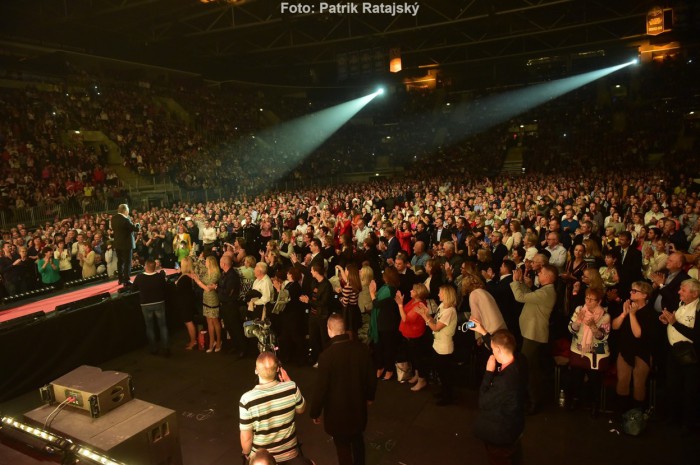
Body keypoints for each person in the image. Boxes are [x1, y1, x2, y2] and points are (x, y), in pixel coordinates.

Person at [309, 314, 377, 465]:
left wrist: (315, 412)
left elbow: (321, 388)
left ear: (329, 330)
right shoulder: (362, 349)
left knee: (342, 446)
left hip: (337, 412)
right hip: (358, 406)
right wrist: (370, 396)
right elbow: (371, 377)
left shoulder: (326, 356)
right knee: (358, 440)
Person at [239, 352, 313, 464]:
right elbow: (301, 409)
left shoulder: (247, 399)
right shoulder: (291, 387)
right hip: (290, 455)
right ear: (278, 369)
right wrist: (289, 381)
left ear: (256, 370)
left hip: (261, 460)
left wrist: (246, 453)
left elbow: (247, 437)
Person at [470, 328, 526, 465]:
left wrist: (488, 372)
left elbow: (483, 402)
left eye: (493, 350)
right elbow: (499, 344)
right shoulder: (521, 360)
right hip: (516, 423)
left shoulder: (505, 382)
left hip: (502, 433)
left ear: (499, 351)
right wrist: (483, 332)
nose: (492, 352)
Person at [510, 264, 558, 414]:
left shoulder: (547, 292)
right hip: (531, 333)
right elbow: (528, 296)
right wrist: (522, 284)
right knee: (532, 367)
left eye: (541, 272)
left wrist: (515, 281)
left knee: (527, 366)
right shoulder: (544, 291)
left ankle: (533, 401)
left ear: (549, 277)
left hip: (534, 334)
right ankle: (534, 397)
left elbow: (520, 297)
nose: (538, 273)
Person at [659, 279, 700, 430]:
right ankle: (672, 418)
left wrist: (674, 323)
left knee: (689, 391)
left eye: (683, 290)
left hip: (691, 355)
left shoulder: (698, 308)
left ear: (695, 293)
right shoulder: (681, 304)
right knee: (672, 387)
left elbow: (696, 335)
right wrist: (668, 321)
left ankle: (687, 424)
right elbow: (676, 323)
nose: (678, 292)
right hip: (674, 352)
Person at [611, 281, 656, 414]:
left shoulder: (649, 313)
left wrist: (632, 315)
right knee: (622, 381)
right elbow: (614, 326)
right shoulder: (626, 306)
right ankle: (621, 413)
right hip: (625, 348)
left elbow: (638, 334)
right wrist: (624, 314)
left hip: (642, 351)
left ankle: (636, 416)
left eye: (634, 291)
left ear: (644, 295)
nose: (631, 292)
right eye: (631, 290)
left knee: (638, 384)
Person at [565, 287, 611, 416]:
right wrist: (578, 321)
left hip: (597, 353)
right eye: (587, 298)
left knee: (595, 380)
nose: (588, 301)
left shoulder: (605, 316)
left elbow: (603, 336)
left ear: (599, 301)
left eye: (592, 299)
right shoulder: (580, 310)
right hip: (578, 349)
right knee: (576, 377)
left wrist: (593, 327)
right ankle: (575, 400)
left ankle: (594, 404)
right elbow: (571, 328)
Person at [415, 284, 458, 405]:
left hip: (444, 347)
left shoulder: (450, 311)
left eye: (441, 293)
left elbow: (435, 327)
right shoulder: (442, 306)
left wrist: (424, 315)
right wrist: (427, 315)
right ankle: (444, 393)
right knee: (441, 372)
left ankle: (448, 397)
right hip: (437, 344)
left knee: (445, 374)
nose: (438, 294)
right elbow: (434, 321)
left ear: (447, 295)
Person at [395, 283, 431, 391]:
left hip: (415, 335)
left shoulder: (419, 304)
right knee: (413, 357)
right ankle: (416, 374)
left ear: (418, 294)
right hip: (409, 334)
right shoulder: (414, 301)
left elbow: (406, 319)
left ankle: (422, 379)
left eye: (413, 290)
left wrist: (400, 305)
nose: (410, 291)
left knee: (417, 358)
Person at [132, 259, 169, 356]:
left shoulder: (139, 277)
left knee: (149, 327)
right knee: (162, 326)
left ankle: (153, 348)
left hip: (146, 304)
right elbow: (165, 286)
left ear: (145, 266)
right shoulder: (159, 276)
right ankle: (165, 347)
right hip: (159, 302)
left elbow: (133, 288)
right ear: (154, 267)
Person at [192, 255, 222, 353]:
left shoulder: (216, 273)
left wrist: (197, 281)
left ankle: (218, 341)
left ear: (211, 262)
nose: (205, 263)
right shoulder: (207, 272)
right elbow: (201, 280)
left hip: (213, 299)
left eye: (206, 261)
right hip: (206, 298)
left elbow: (208, 288)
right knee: (209, 321)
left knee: (215, 321)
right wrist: (196, 276)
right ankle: (211, 342)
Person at [218, 254, 246, 358]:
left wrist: (218, 288)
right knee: (229, 327)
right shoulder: (224, 274)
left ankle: (242, 348)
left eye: (220, 262)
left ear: (224, 264)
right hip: (225, 305)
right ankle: (236, 346)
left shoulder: (232, 276)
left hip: (231, 305)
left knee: (236, 327)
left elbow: (227, 292)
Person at [111, 203, 140, 287]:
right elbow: (135, 229)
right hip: (126, 244)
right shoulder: (125, 220)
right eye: (127, 210)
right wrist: (138, 224)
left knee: (120, 262)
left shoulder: (113, 218)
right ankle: (126, 280)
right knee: (127, 262)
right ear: (124, 210)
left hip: (117, 244)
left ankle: (120, 279)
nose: (128, 211)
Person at [174, 257, 198, 350]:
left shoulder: (184, 277)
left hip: (185, 302)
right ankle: (192, 340)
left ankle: (193, 341)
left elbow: (178, 289)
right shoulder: (190, 275)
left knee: (188, 322)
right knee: (189, 321)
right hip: (188, 301)